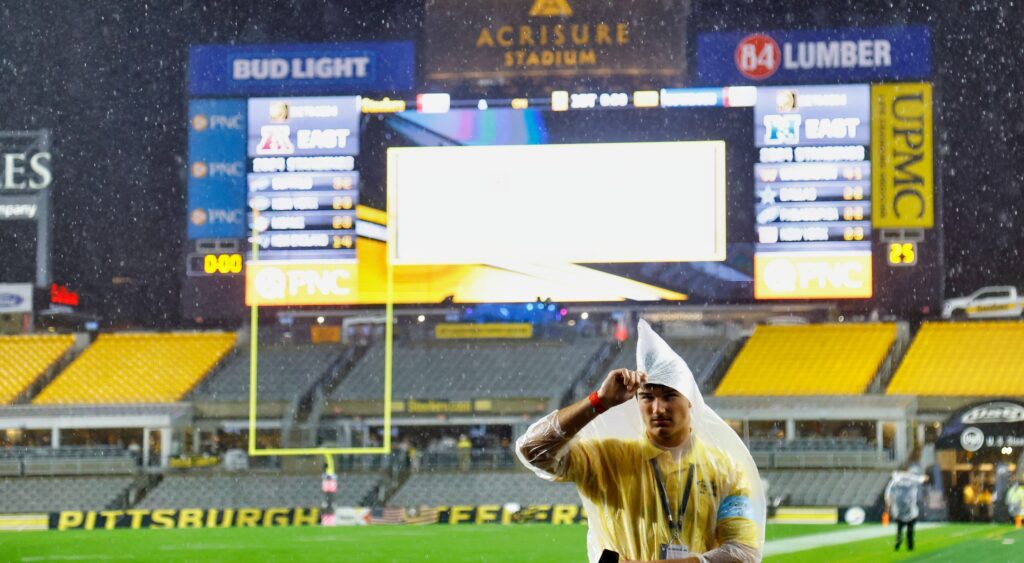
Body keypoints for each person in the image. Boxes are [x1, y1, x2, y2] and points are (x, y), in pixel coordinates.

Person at [517, 320, 764, 563]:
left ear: (690, 400)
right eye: (647, 397)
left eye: (669, 396)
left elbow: (743, 551)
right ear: (637, 402)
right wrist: (598, 401)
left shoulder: (727, 470)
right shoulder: (605, 459)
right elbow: (532, 451)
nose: (658, 408)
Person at [885, 466, 926, 551]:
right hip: (903, 511)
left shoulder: (898, 479)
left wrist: (888, 502)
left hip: (906, 510)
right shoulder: (899, 480)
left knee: (904, 531)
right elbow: (923, 479)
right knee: (906, 531)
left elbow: (888, 493)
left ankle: (902, 545)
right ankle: (905, 545)